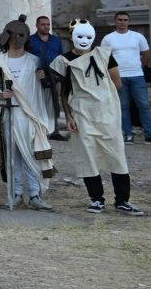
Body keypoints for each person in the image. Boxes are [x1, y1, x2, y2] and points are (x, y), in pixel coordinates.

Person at [51, 20, 145, 216]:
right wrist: (68, 115)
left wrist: (102, 98)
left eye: (87, 37)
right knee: (88, 157)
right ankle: (96, 199)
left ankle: (122, 200)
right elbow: (64, 91)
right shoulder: (64, 60)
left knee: (116, 155)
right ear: (72, 37)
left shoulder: (104, 55)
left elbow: (116, 83)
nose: (84, 40)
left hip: (107, 112)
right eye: (80, 36)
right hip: (82, 114)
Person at [0, 15, 56, 211]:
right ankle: (15, 193)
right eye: (14, 35)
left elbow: (46, 91)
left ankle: (35, 194)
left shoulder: (34, 61)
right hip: (8, 114)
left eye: (21, 35)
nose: (17, 40)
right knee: (12, 157)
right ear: (6, 37)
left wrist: (44, 78)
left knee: (31, 155)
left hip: (29, 114)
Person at [101, 11, 151, 145]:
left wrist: (139, 66)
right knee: (123, 106)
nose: (122, 22)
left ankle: (149, 135)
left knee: (144, 105)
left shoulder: (137, 37)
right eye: (120, 20)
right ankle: (128, 134)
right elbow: (104, 57)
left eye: (125, 20)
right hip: (118, 76)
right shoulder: (108, 38)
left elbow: (146, 54)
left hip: (137, 75)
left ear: (129, 22)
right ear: (115, 21)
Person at [30, 15, 68, 141]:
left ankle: (54, 130)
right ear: (37, 26)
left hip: (54, 75)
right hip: (37, 75)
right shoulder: (30, 41)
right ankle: (39, 130)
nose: (46, 27)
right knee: (38, 102)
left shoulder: (56, 40)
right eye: (43, 24)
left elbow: (61, 57)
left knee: (54, 102)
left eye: (48, 24)